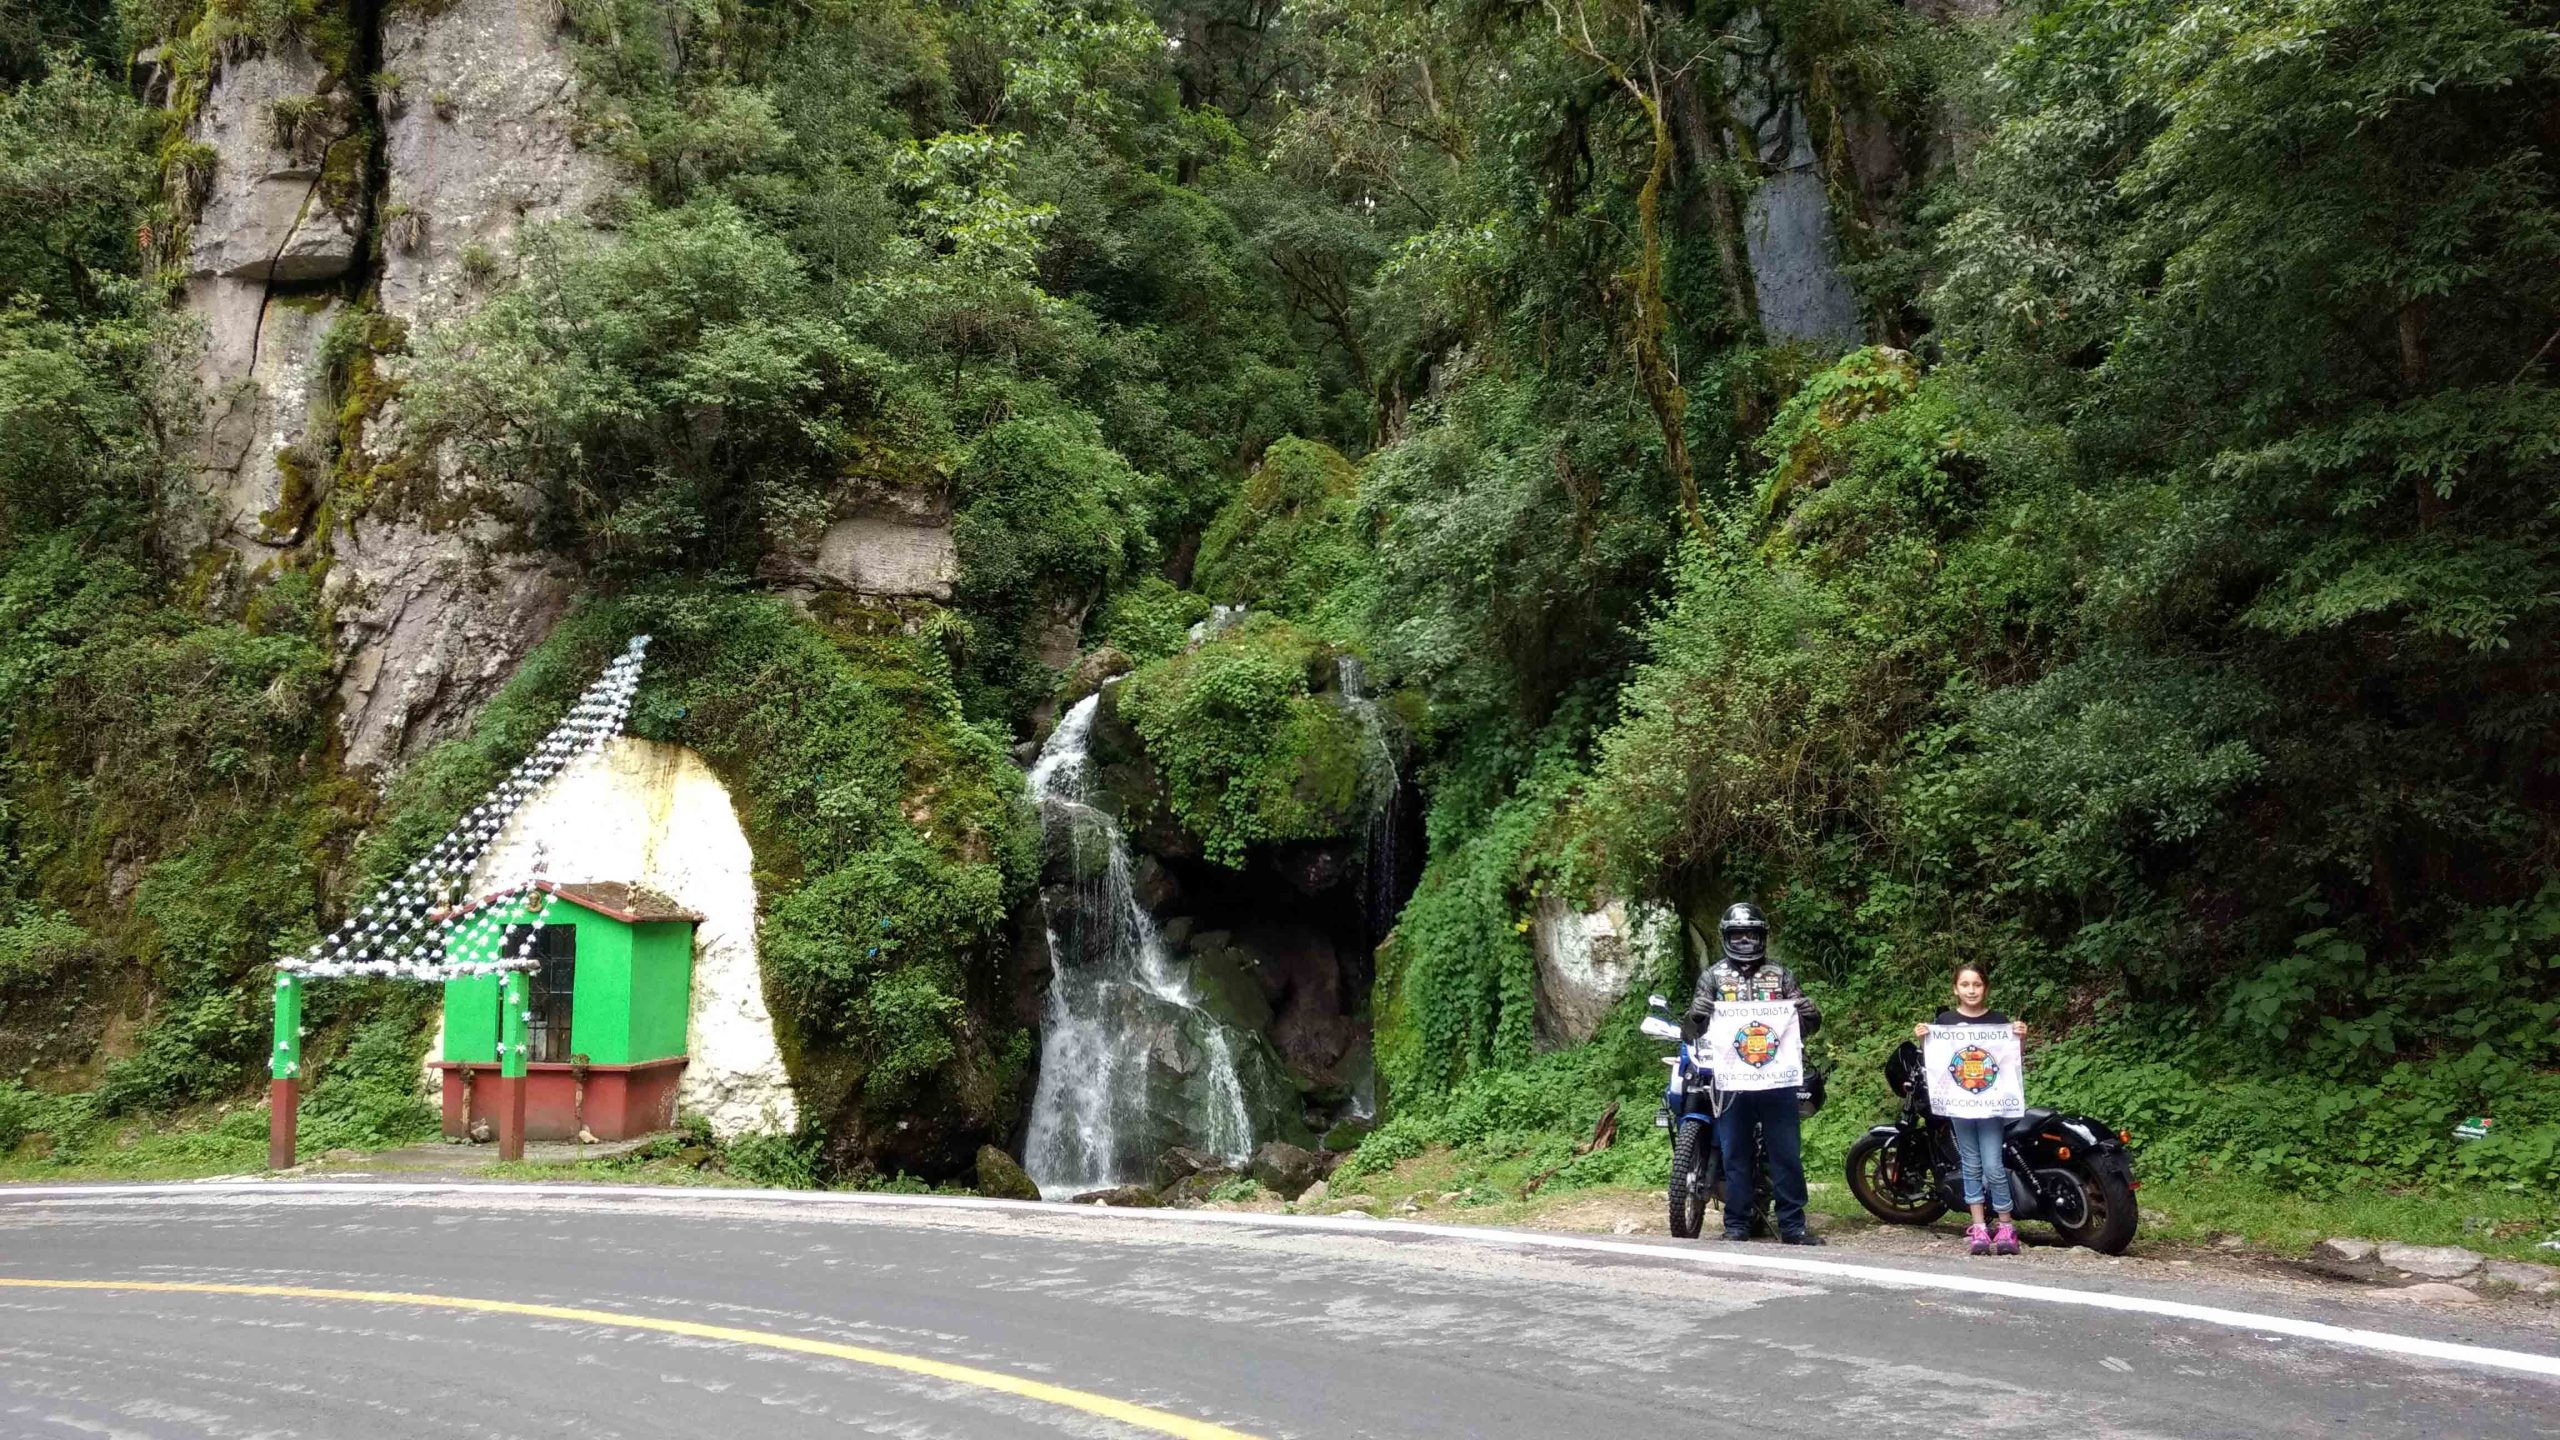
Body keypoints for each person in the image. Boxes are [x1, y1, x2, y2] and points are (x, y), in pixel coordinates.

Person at [1682, 902, 1823, 1245]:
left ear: (1762, 937)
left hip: (1777, 1082)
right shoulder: (1712, 977)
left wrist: (1810, 1013)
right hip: (1732, 1082)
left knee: (1785, 1153)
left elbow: (1806, 1028)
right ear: (1726, 937)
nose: (1745, 940)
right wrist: (1696, 1014)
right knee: (1735, 1153)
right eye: (1738, 935)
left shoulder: (1780, 975)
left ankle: (1793, 1225)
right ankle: (1736, 1224)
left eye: (1751, 934)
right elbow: (1691, 1032)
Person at [1914, 963, 2029, 1256]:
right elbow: (1937, 1061)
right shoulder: (1945, 1021)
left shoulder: (1998, 1020)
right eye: (1965, 985)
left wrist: (2020, 1037)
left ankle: (2006, 1225)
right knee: (1971, 1164)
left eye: (1977, 985)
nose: (1971, 990)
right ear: (1955, 989)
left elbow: (2011, 1059)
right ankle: (1978, 1227)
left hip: (1991, 1107)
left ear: (1985, 988)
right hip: (1960, 1105)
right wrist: (1924, 1038)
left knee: (1993, 1165)